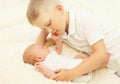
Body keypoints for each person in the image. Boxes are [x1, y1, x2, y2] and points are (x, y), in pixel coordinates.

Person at [26, 0, 119, 81]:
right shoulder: (60, 31)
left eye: (49, 23)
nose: (49, 31)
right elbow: (36, 50)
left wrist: (72, 73)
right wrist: (45, 28)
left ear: (60, 9)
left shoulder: (84, 21)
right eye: (45, 29)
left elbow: (101, 55)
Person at [23, 34, 92, 82]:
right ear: (39, 58)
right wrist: (41, 67)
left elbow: (59, 49)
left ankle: (89, 65)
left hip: (74, 66)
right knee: (86, 62)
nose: (45, 47)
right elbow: (51, 75)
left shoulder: (51, 54)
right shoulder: (44, 64)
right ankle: (92, 62)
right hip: (73, 71)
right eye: (42, 48)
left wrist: (58, 39)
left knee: (77, 57)